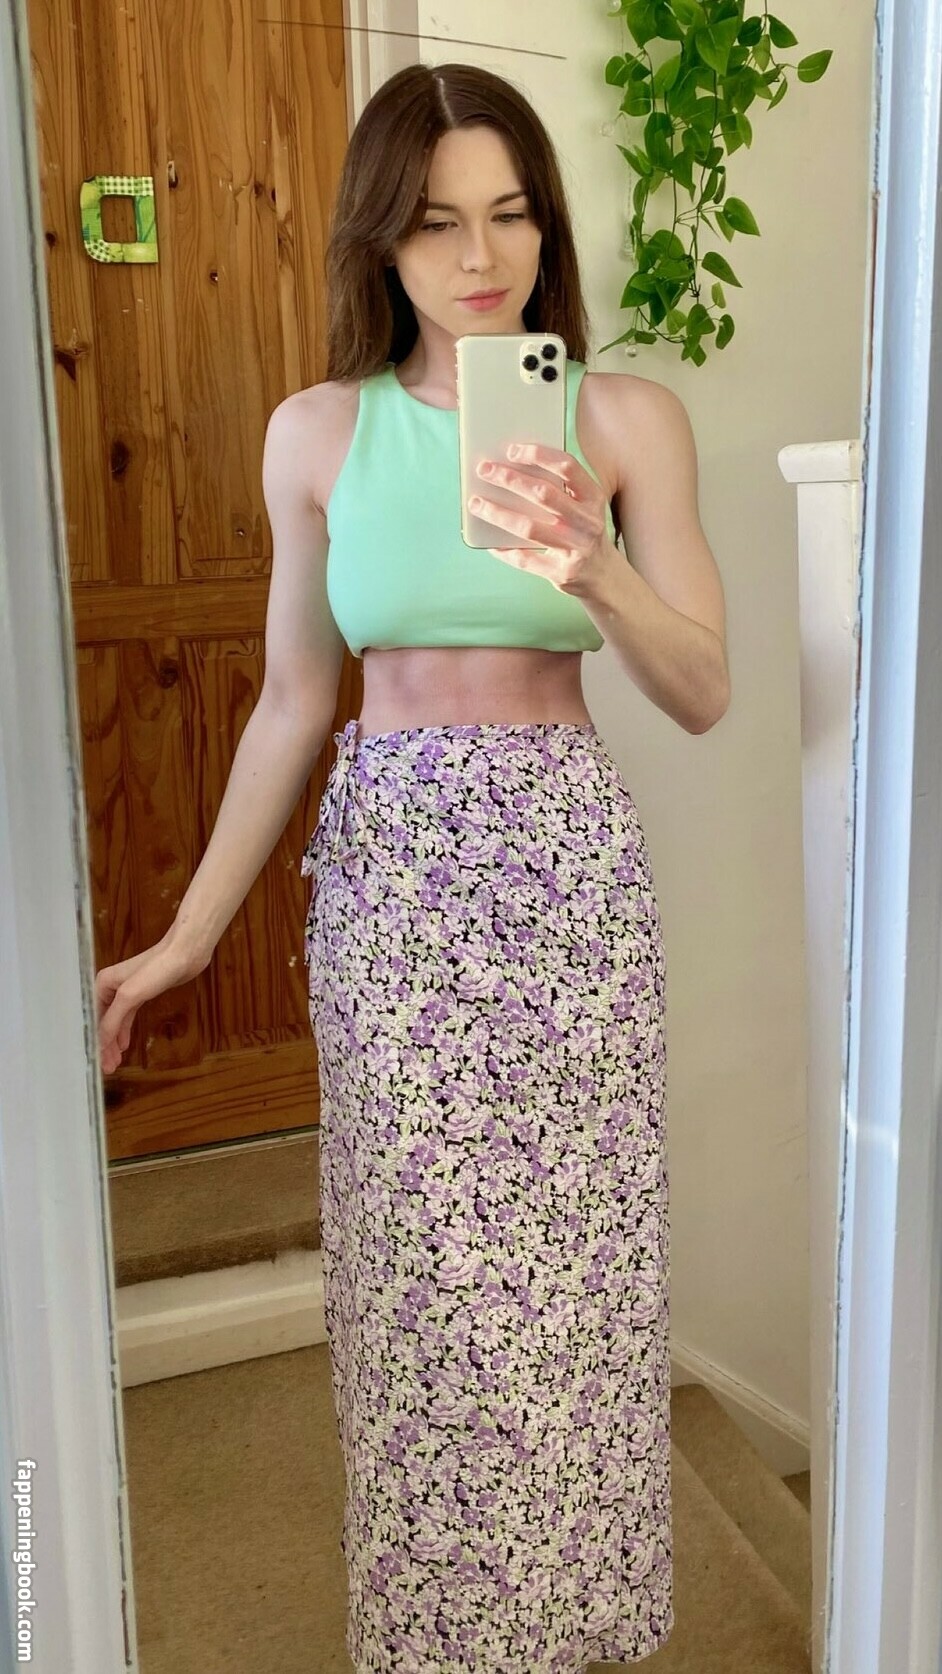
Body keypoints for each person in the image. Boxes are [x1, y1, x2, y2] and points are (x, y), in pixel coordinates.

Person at [97, 60, 729, 1671]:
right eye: (437, 221)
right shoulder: (316, 433)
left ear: (545, 226)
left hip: (566, 870)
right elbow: (289, 705)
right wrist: (186, 938)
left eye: (510, 213)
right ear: (379, 238)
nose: (479, 255)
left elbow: (702, 689)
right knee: (420, 1283)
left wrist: (591, 563)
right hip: (392, 876)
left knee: (572, 1271)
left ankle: (574, 1625)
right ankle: (443, 1632)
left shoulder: (625, 418)